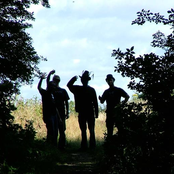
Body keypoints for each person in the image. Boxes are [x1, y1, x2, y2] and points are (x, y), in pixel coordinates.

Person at [67, 70, 98, 150]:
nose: (84, 81)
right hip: (87, 112)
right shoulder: (89, 90)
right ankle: (91, 146)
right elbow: (95, 102)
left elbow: (69, 85)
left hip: (85, 112)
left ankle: (86, 146)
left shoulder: (78, 89)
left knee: (86, 130)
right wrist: (96, 113)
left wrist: (73, 79)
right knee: (88, 129)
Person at [47, 70, 70, 150]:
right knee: (54, 131)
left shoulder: (63, 91)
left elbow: (66, 102)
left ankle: (62, 146)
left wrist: (67, 112)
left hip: (62, 112)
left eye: (57, 80)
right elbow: (47, 83)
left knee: (62, 130)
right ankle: (54, 146)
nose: (56, 82)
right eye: (55, 80)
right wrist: (49, 74)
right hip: (53, 113)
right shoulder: (51, 90)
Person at [38, 73, 61, 146]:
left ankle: (53, 146)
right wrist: (41, 79)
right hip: (48, 115)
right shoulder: (45, 93)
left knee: (55, 132)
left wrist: (59, 117)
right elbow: (39, 87)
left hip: (54, 115)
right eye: (52, 86)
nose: (54, 87)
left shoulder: (52, 95)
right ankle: (50, 146)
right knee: (51, 131)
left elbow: (55, 107)